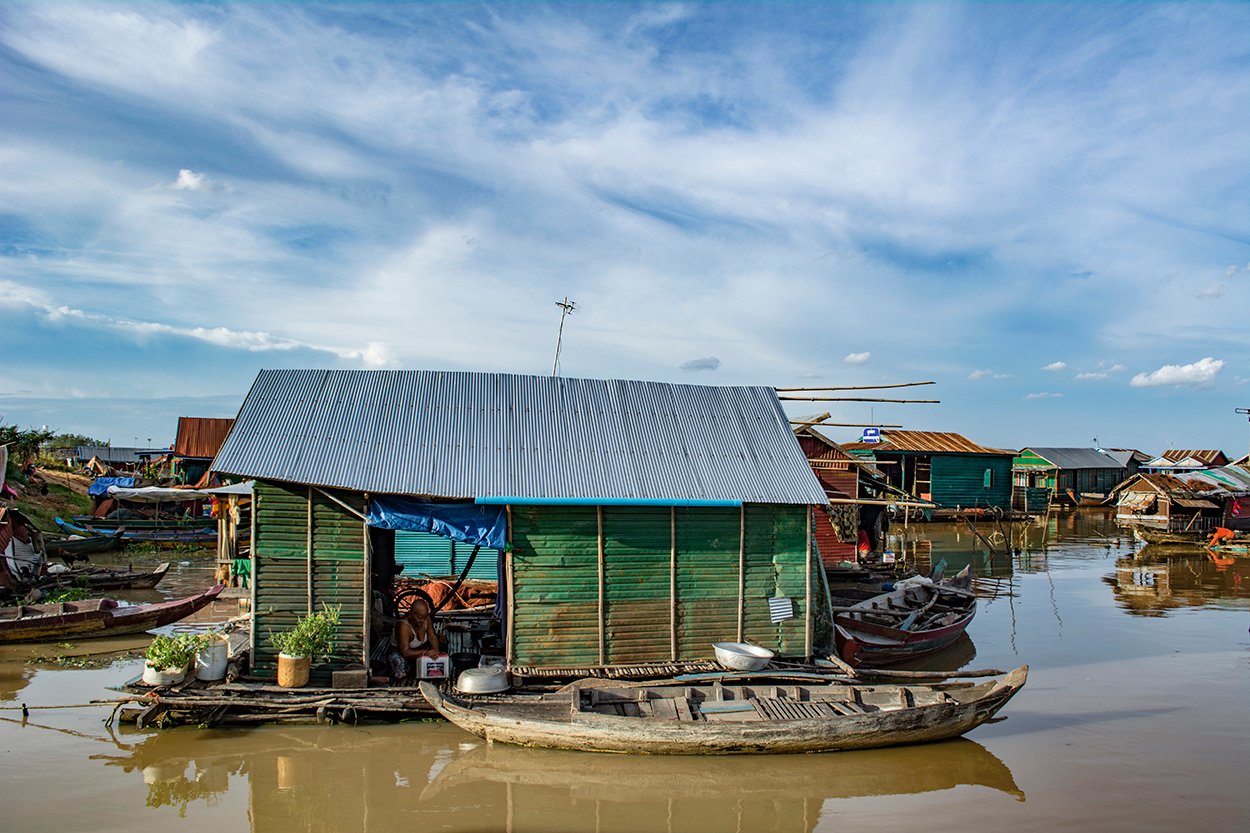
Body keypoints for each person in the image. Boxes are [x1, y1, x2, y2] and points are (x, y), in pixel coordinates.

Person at [389, 598, 441, 680]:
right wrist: (425, 652)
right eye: (419, 618)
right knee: (402, 666)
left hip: (418, 650)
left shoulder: (426, 619)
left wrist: (436, 652)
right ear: (410, 615)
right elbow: (405, 652)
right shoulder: (403, 626)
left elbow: (432, 637)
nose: (422, 620)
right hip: (400, 653)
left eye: (424, 617)